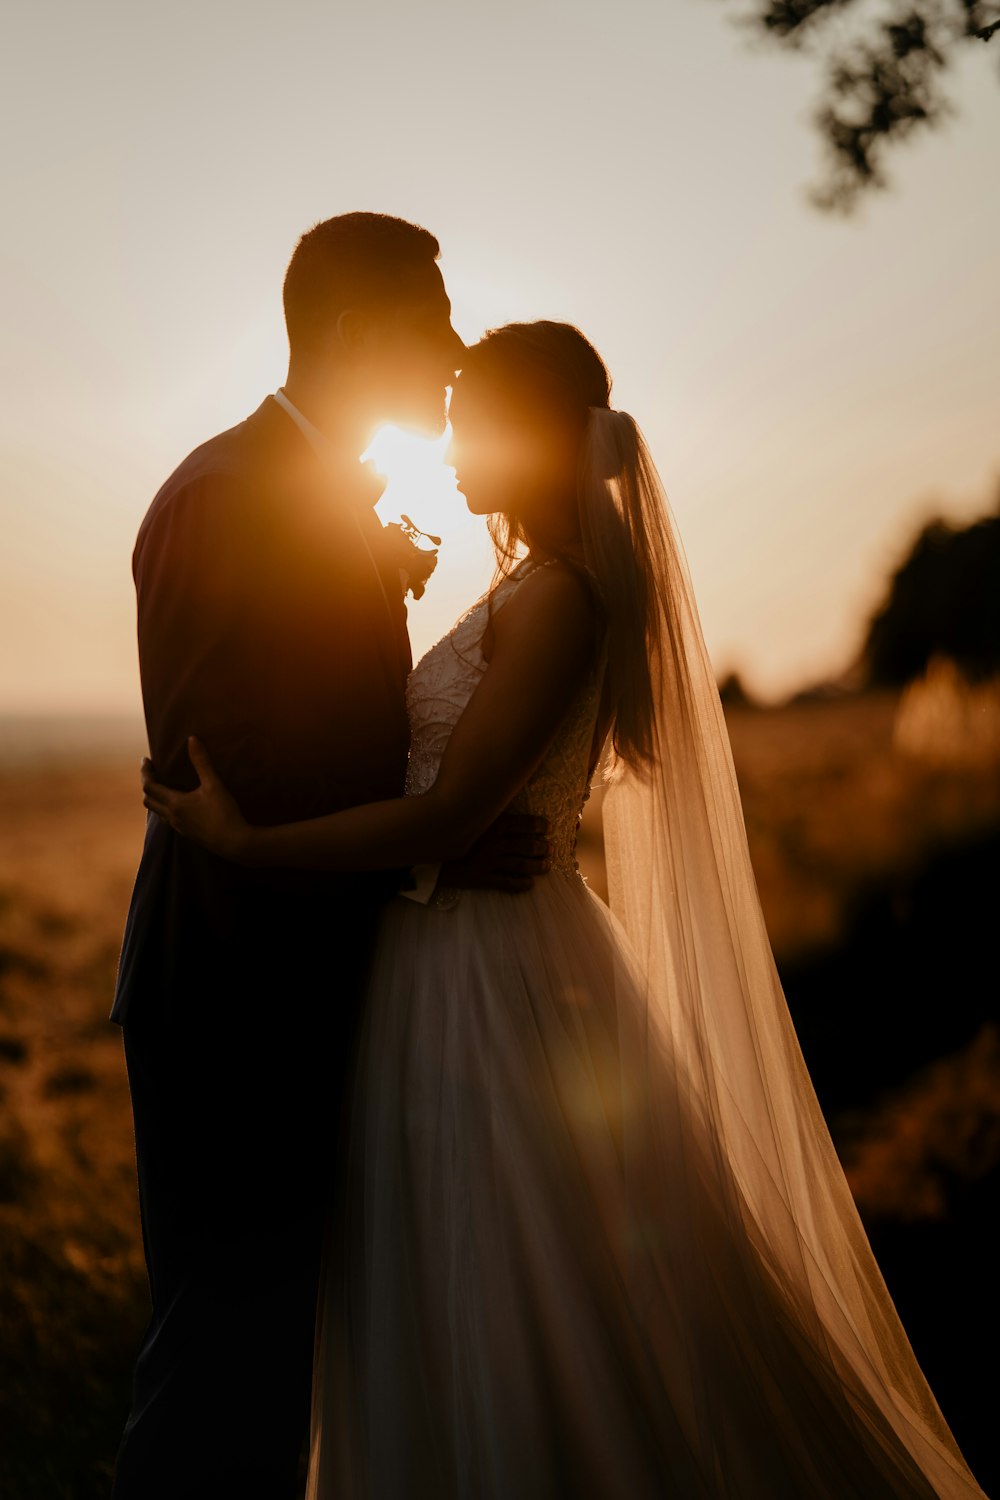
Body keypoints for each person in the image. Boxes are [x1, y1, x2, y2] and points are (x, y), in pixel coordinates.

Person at [142, 321, 987, 1498]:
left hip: (491, 973)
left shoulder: (563, 601)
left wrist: (247, 841)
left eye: (465, 416)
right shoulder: (528, 586)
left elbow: (444, 819)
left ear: (530, 435)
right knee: (439, 1279)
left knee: (505, 1270)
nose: (443, 438)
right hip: (440, 954)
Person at [111, 215, 548, 1500]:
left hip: (306, 990)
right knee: (219, 1377)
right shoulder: (223, 498)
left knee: (280, 1370)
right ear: (359, 335)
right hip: (232, 998)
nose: (459, 348)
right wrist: (435, 839)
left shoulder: (309, 492)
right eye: (437, 322)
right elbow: (218, 773)